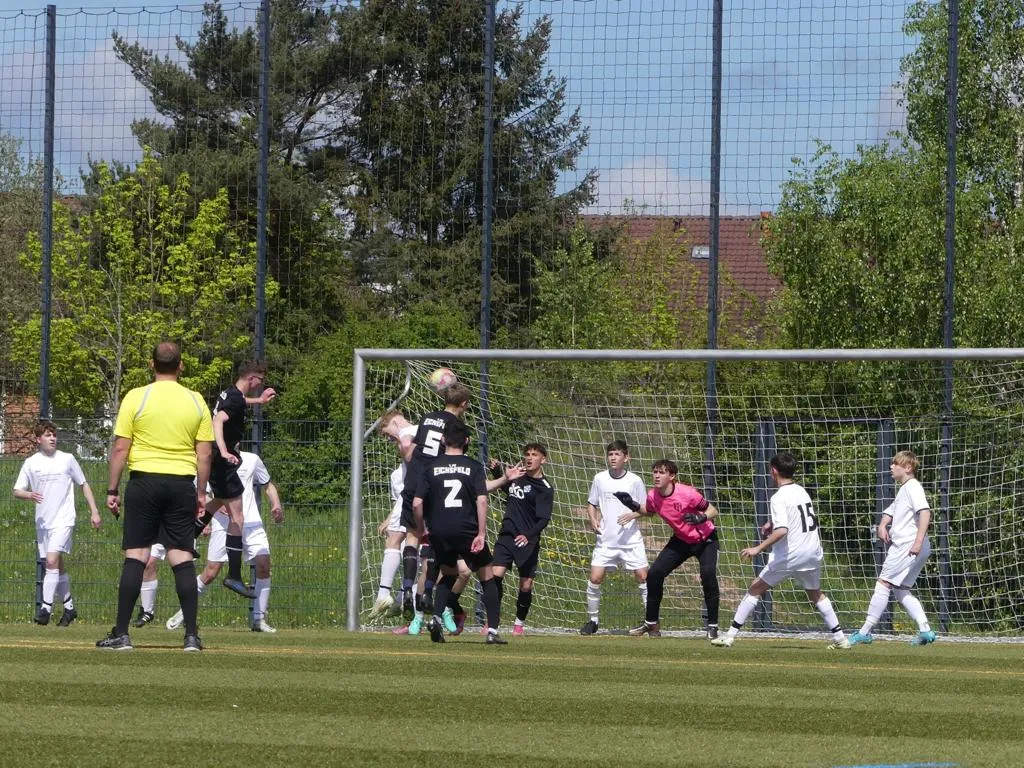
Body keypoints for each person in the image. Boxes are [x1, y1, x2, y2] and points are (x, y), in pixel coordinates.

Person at [97, 341, 214, 652]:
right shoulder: (196, 400)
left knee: (136, 555)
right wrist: (201, 493)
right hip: (181, 485)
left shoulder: (137, 397)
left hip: (144, 482)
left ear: (152, 364)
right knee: (182, 556)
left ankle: (122, 634)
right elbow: (204, 454)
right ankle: (191, 636)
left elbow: (120, 448)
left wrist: (112, 490)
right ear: (181, 366)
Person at [711, 452, 851, 649]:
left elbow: (782, 530)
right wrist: (772, 522)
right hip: (812, 551)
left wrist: (758, 548)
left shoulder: (778, 497)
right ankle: (841, 639)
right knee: (815, 593)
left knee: (755, 588)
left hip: (791, 554)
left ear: (773, 471)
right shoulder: (801, 491)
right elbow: (794, 516)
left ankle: (729, 636)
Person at [166, 451, 284, 632]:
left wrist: (276, 504)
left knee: (264, 564)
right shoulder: (214, 461)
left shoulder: (252, 459)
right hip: (223, 524)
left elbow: (268, 485)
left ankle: (259, 619)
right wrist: (214, 511)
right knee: (211, 572)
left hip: (251, 523)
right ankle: (184, 611)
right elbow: (202, 494)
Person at [412, 419, 506, 645]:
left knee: (449, 572)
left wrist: (421, 527)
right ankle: (492, 631)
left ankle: (436, 618)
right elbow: (481, 500)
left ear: (443, 439)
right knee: (487, 576)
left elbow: (416, 503)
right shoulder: (473, 466)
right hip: (466, 529)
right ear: (467, 441)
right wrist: (481, 533)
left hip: (440, 530)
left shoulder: (430, 467)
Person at [616, 459, 720, 639]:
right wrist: (632, 504)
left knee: (708, 574)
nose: (657, 476)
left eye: (661, 472)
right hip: (681, 540)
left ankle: (712, 626)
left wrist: (701, 518)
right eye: (655, 472)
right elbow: (649, 511)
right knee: (654, 574)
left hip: (706, 540)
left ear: (672, 476)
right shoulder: (653, 495)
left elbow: (713, 510)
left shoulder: (687, 493)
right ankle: (651, 623)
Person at [13, 420, 101, 627]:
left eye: (54, 434)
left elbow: (84, 484)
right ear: (38, 439)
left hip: (64, 519)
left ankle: (45, 609)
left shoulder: (67, 459)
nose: (52, 438)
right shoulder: (31, 463)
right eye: (47, 435)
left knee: (51, 561)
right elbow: (17, 490)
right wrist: (29, 495)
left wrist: (94, 511)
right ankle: (69, 608)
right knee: (55, 565)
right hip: (44, 522)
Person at [398, 383, 472, 619]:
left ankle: (406, 588)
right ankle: (428, 592)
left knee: (412, 537)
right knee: (434, 542)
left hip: (413, 481)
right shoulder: (458, 427)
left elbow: (412, 449)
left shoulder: (427, 418)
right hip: (436, 484)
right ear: (464, 404)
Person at [849, 450, 937, 647]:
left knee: (883, 584)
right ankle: (925, 630)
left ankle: (864, 632)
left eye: (895, 464)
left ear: (908, 467)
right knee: (901, 590)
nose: (891, 466)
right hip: (915, 546)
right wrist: (882, 524)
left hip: (908, 545)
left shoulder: (913, 487)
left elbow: (925, 513)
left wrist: (917, 542)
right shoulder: (905, 489)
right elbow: (892, 510)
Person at [206, 361, 276, 599]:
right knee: (238, 517)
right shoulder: (235, 398)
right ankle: (234, 575)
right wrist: (224, 451)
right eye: (261, 381)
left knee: (218, 501)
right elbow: (218, 421)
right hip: (222, 462)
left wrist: (260, 401)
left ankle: (186, 536)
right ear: (252, 378)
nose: (261, 385)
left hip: (217, 461)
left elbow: (239, 402)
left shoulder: (231, 393)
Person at [580, 440, 649, 635]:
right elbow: (592, 504)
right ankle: (593, 621)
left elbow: (646, 509)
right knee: (595, 578)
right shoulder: (600, 479)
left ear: (626, 458)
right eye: (610, 454)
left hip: (630, 539)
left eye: (617, 454)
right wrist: (593, 519)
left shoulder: (635, 481)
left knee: (643, 577)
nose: (613, 457)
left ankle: (651, 621)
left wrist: (632, 515)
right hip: (606, 540)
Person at [490, 444, 554, 636]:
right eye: (527, 454)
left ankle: (519, 623)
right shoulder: (517, 476)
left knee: (526, 585)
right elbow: (507, 489)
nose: (529, 458)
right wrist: (497, 472)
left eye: (534, 455)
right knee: (495, 576)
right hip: (507, 535)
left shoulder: (545, 488)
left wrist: (528, 535)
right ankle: (493, 621)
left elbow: (543, 519)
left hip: (527, 540)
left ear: (543, 460)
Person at [368, 410, 419, 620]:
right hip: (429, 495)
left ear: (396, 421)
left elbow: (409, 452)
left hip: (413, 494)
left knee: (394, 539)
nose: (388, 438)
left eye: (387, 432)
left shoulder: (408, 434)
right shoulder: (425, 430)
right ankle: (402, 597)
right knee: (416, 546)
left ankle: (385, 595)